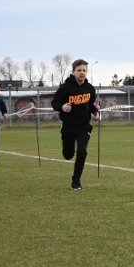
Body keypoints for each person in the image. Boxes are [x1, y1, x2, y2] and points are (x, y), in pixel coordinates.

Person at [51, 59, 100, 190]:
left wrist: (95, 113)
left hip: (84, 125)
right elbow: (54, 103)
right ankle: (66, 145)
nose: (82, 73)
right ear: (73, 72)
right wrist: (62, 107)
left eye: (84, 70)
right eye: (79, 70)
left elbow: (90, 105)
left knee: (82, 151)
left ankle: (76, 180)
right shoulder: (65, 88)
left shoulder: (89, 89)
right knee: (68, 155)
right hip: (68, 125)